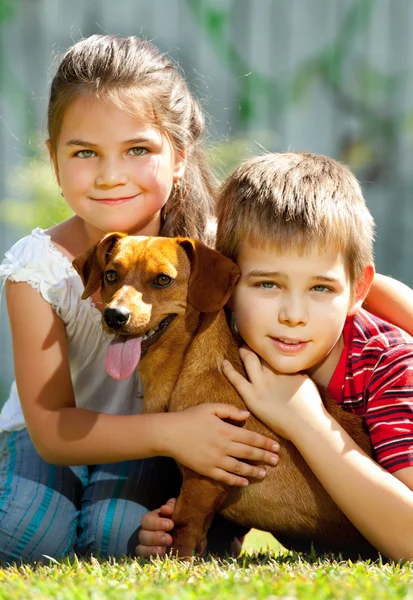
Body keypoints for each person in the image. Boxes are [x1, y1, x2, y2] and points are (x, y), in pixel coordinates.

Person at [0, 34, 282, 564]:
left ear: (178, 157)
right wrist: (177, 432)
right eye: (85, 152)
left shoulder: (209, 246)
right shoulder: (37, 268)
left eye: (137, 150)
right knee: (28, 538)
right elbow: (54, 431)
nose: (110, 176)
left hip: (153, 446)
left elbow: (336, 277)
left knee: (121, 540)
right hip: (53, 439)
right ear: (54, 160)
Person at [138, 152, 413, 562]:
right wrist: (181, 523)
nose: (293, 315)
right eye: (268, 284)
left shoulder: (392, 368)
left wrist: (306, 422)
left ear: (357, 291)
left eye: (321, 288)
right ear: (227, 286)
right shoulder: (232, 345)